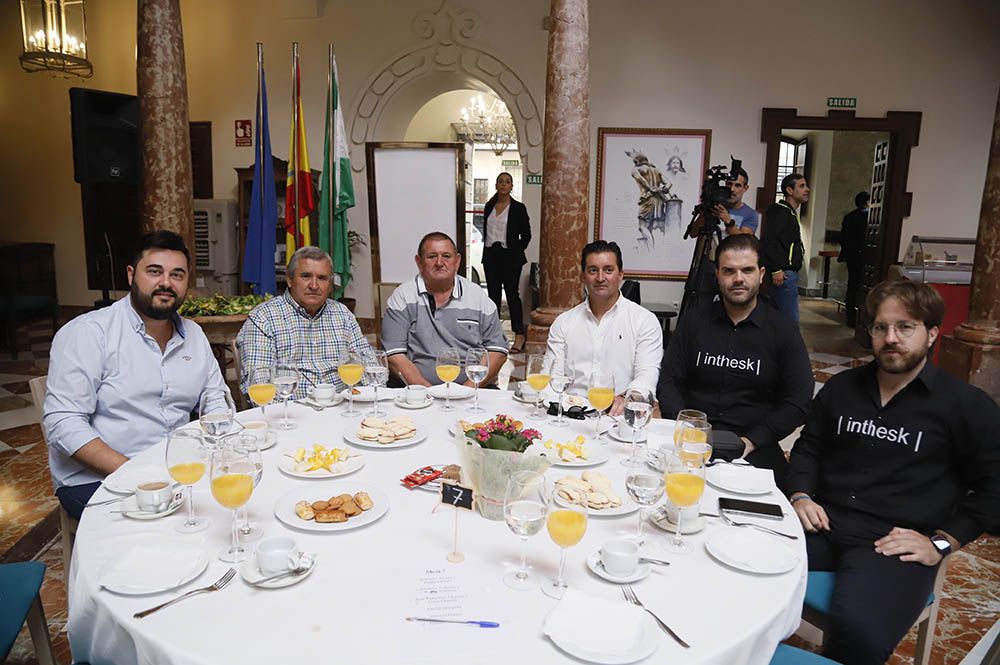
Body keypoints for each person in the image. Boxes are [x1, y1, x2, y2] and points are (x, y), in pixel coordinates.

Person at [786, 280, 1000, 665]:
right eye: (881, 327)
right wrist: (801, 494)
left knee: (859, 636)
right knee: (734, 567)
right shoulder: (842, 388)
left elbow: (993, 489)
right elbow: (809, 449)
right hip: (822, 523)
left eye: (905, 327)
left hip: (890, 543)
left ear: (932, 334)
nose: (891, 338)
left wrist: (941, 544)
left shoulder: (966, 407)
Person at [43, 231, 229, 519]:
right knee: (172, 533)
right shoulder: (90, 333)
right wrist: (136, 472)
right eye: (155, 272)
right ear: (131, 275)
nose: (166, 282)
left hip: (175, 469)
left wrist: (218, 449)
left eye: (177, 275)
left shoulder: (194, 334)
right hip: (98, 479)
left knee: (233, 507)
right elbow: (63, 421)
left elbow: (214, 397)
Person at [657, 234, 812, 487]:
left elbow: (799, 400)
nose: (738, 279)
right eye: (729, 271)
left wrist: (753, 440)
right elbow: (669, 379)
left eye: (747, 270)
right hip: (691, 443)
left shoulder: (783, 330)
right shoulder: (694, 321)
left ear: (761, 274)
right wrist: (686, 429)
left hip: (754, 446)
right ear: (717, 275)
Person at [237, 246, 375, 400]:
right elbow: (259, 384)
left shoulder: (342, 314)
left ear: (330, 284)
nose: (314, 286)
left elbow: (369, 365)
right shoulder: (263, 318)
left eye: (322, 278)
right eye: (306, 276)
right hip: (291, 415)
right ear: (289, 279)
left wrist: (365, 404)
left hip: (342, 410)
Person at [544, 240, 662, 416]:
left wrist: (630, 398)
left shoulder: (644, 321)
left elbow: (646, 376)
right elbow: (552, 377)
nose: (600, 278)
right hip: (572, 415)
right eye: (593, 270)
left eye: (608, 270)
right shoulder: (564, 323)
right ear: (583, 276)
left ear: (620, 274)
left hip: (619, 415)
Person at [382, 232, 508, 386]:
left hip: (473, 389)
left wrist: (467, 390)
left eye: (446, 256)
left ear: (457, 261)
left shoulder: (478, 297)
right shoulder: (403, 297)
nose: (439, 262)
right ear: (419, 262)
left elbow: (498, 351)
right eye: (432, 256)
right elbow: (394, 356)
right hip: (417, 394)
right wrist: (428, 394)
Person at [685, 166, 760, 296]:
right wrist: (706, 212)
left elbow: (746, 242)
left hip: (733, 266)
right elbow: (693, 233)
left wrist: (728, 221)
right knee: (701, 304)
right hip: (708, 264)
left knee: (728, 307)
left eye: (738, 185)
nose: (732, 189)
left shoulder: (750, 214)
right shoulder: (713, 206)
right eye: (729, 184)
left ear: (745, 188)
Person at [482, 172, 531, 353]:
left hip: (510, 256)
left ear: (512, 186)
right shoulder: (489, 206)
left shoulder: (518, 208)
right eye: (500, 181)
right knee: (492, 296)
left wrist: (516, 251)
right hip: (491, 255)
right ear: (496, 185)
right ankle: (493, 335)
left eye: (507, 182)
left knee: (512, 295)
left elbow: (526, 235)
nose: (503, 184)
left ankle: (519, 334)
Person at [761, 173, 809, 322]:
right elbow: (769, 241)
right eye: (802, 186)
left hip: (786, 273)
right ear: (789, 190)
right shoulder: (780, 211)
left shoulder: (788, 212)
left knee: (781, 320)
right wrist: (776, 269)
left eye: (806, 185)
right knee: (789, 321)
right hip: (783, 274)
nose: (807, 189)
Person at [839, 191, 870, 328]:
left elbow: (843, 238)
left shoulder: (849, 217)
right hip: (864, 256)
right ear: (867, 202)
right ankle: (863, 319)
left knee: (852, 285)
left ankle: (850, 317)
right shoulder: (868, 216)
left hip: (851, 255)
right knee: (863, 286)